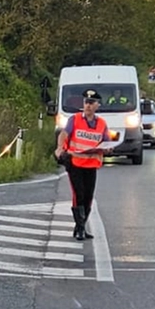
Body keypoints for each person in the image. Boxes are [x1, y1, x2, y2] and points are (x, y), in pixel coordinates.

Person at [55, 89, 111, 240]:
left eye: (92, 103)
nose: (88, 105)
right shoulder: (75, 119)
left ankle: (81, 226)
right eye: (86, 102)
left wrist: (108, 148)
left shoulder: (101, 124)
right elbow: (64, 134)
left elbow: (105, 141)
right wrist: (60, 147)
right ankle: (80, 229)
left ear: (97, 105)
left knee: (88, 197)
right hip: (75, 162)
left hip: (91, 164)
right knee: (78, 194)